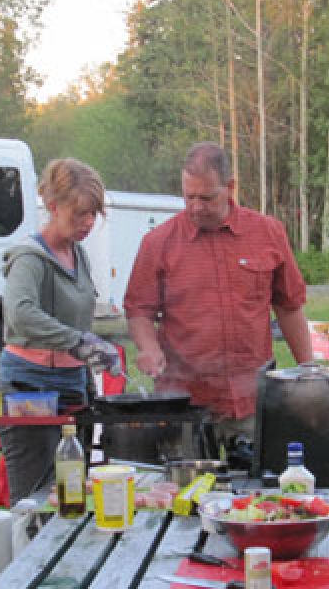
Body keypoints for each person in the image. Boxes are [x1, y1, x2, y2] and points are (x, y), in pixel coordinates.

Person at [124, 142, 314, 445]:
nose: (197, 206)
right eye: (189, 197)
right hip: (185, 402)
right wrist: (149, 348)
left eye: (207, 197)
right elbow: (139, 311)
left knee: (257, 489)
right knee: (186, 490)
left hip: (253, 398)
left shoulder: (268, 233)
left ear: (230, 187)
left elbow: (289, 305)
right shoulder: (157, 243)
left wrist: (308, 370)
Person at [0, 158, 122, 504]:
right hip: (30, 385)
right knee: (35, 496)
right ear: (53, 206)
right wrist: (78, 341)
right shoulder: (29, 258)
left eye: (93, 214)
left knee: (71, 491)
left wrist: (94, 354)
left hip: (72, 384)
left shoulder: (78, 255)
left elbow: (78, 321)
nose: (88, 222)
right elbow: (21, 314)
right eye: (79, 213)